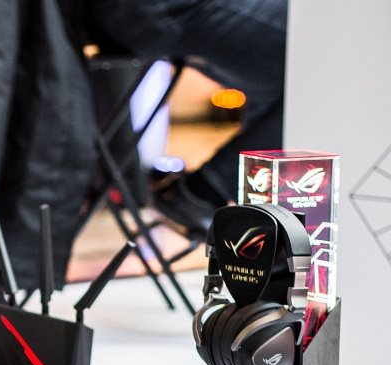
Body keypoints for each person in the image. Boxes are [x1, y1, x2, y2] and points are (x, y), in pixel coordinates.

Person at [84, 0, 289, 238]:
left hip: (133, 12)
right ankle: (208, 191)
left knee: (293, 75)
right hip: (155, 9)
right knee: (316, 55)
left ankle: (255, 218)